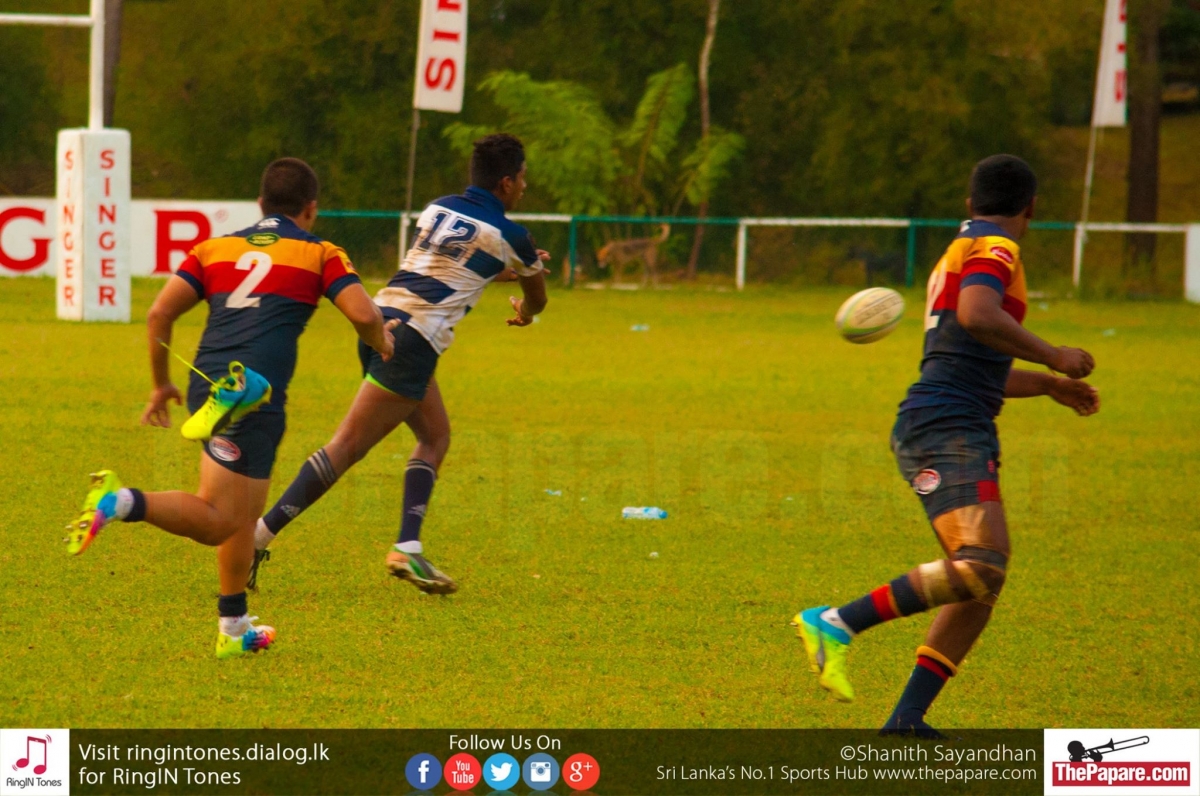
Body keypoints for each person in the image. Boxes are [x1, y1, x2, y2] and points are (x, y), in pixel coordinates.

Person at [793, 154, 1100, 735]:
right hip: (946, 426)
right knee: (981, 562)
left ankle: (907, 717)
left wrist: (1048, 385)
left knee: (981, 579)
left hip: (949, 417)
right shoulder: (997, 249)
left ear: (969, 203)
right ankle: (836, 622)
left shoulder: (963, 247)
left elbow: (968, 363)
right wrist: (1053, 355)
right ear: (1031, 208)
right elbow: (977, 315)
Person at [64, 157, 396, 659]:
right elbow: (364, 313)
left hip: (208, 383)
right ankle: (120, 501)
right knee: (221, 519)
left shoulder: (213, 248)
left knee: (240, 514)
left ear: (260, 204)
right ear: (311, 208)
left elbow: (159, 313)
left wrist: (160, 385)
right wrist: (382, 342)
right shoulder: (319, 252)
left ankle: (234, 626)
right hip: (256, 398)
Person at [248, 133, 549, 594]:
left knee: (435, 435)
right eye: (523, 178)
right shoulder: (514, 237)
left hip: (380, 322)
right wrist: (525, 308)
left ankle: (408, 546)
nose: (525, 186)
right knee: (346, 446)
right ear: (507, 182)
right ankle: (255, 538)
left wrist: (505, 270)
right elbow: (538, 299)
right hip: (412, 342)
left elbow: (450, 264)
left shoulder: (437, 208)